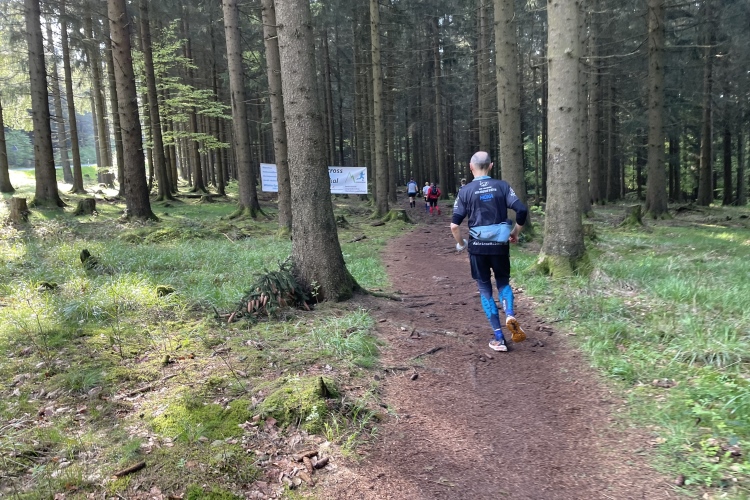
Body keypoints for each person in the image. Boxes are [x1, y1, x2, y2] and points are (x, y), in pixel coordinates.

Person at [450, 151, 528, 352]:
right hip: (500, 246)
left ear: (471, 167)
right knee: (503, 282)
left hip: (478, 248)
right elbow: (521, 210)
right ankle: (509, 314)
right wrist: (515, 232)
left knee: (485, 288)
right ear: (491, 166)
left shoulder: (465, 191)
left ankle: (499, 338)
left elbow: (454, 226)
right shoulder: (502, 186)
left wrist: (461, 243)